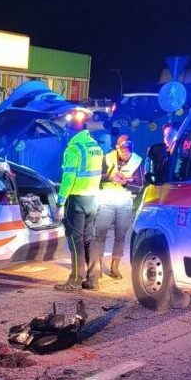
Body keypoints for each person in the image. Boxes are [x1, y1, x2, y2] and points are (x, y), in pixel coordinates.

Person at [54, 112, 104, 292]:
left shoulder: (74, 149)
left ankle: (75, 280)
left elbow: (68, 179)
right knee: (88, 239)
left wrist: (60, 203)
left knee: (75, 241)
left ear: (71, 131)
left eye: (67, 131)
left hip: (77, 200)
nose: (66, 134)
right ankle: (93, 280)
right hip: (93, 199)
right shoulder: (95, 146)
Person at [91, 136, 143, 281]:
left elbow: (140, 185)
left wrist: (126, 183)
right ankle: (97, 267)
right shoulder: (107, 158)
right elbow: (95, 177)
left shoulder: (137, 161)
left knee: (120, 236)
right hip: (106, 200)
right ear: (117, 148)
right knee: (100, 234)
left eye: (128, 153)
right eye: (123, 152)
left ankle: (115, 267)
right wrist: (110, 177)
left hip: (125, 201)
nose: (126, 155)